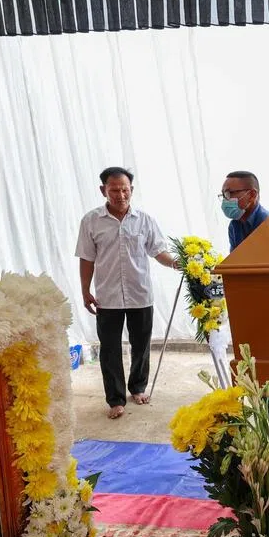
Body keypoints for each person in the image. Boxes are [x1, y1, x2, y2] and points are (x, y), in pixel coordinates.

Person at [76, 166, 176, 416]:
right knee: (109, 349)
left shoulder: (144, 220)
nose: (120, 195)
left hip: (140, 293)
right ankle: (115, 400)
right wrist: (85, 290)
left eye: (125, 190)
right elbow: (86, 258)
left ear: (131, 189)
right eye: (114, 190)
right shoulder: (91, 221)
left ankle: (138, 388)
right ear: (103, 190)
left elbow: (158, 251)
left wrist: (178, 263)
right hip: (107, 296)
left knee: (141, 345)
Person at [221, 170, 269, 251]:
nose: (225, 200)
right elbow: (235, 258)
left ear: (252, 195)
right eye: (224, 195)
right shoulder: (234, 225)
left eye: (229, 193)